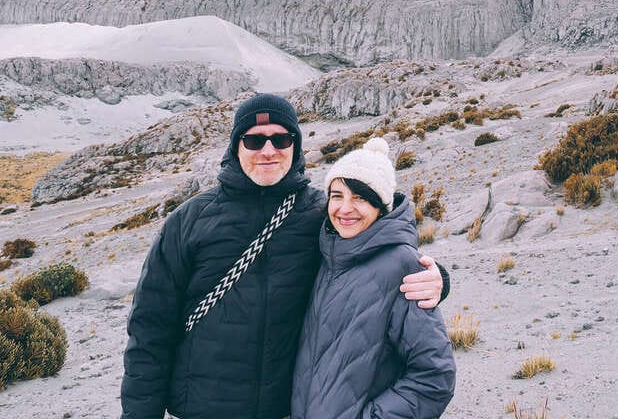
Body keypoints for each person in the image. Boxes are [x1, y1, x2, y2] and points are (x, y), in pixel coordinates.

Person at [120, 93, 448, 419]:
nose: (268, 150)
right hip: (203, 408)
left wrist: (436, 279)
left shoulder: (322, 213)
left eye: (281, 139)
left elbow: (378, 251)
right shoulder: (188, 220)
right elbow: (150, 327)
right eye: (253, 140)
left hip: (286, 409)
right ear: (235, 145)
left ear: (296, 145)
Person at [292, 137, 456, 419]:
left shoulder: (403, 266)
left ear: (381, 206)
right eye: (337, 196)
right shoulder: (324, 256)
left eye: (360, 197)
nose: (345, 209)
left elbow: (435, 375)